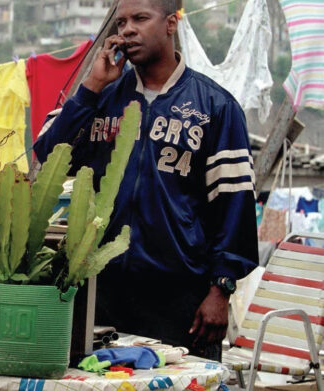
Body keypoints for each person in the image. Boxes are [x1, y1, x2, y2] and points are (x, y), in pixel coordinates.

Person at [33, 0, 258, 360]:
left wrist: (221, 290)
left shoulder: (215, 107)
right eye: (121, 22)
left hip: (181, 300)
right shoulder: (102, 97)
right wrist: (90, 88)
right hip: (100, 291)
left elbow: (235, 206)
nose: (127, 30)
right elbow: (48, 154)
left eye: (140, 18)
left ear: (171, 23)